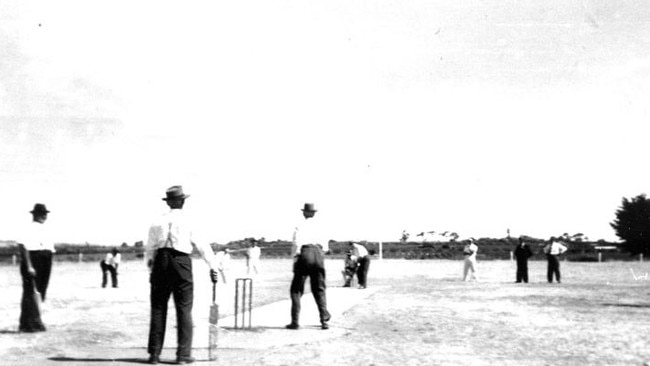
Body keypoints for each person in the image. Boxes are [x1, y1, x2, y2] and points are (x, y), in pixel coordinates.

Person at [145, 185, 219, 365]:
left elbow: (149, 249)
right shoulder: (189, 220)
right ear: (182, 201)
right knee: (184, 308)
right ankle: (182, 354)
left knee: (158, 307)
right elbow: (202, 245)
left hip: (161, 260)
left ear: (168, 202)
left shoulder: (157, 221)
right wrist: (213, 266)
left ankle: (154, 354)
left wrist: (152, 270)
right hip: (181, 261)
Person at [286, 203, 331, 330]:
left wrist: (295, 257)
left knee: (296, 290)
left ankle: (295, 321)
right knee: (319, 289)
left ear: (304, 212)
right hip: (318, 253)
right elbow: (326, 247)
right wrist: (320, 254)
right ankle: (324, 320)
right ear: (314, 213)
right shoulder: (322, 226)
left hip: (305, 254)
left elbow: (296, 243)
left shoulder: (300, 225)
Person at [17, 203, 54, 332]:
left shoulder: (45, 229)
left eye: (45, 214)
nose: (44, 216)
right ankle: (27, 324)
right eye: (41, 213)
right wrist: (29, 266)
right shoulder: (29, 228)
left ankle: (36, 321)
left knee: (40, 291)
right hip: (34, 260)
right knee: (30, 292)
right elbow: (23, 247)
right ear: (35, 214)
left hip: (46, 259)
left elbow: (49, 247)